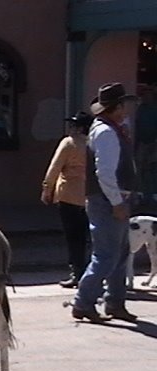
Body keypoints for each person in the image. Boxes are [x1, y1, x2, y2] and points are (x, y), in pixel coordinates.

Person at [72, 82, 138, 323]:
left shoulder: (112, 128)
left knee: (119, 254)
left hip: (110, 198)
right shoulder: (107, 133)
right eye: (123, 106)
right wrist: (117, 202)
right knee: (106, 255)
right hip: (107, 200)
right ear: (117, 107)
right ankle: (84, 301)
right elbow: (105, 173)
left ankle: (115, 301)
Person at [41, 111, 93, 288]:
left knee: (73, 236)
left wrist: (47, 189)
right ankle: (90, 272)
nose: (71, 128)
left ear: (79, 128)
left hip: (69, 194)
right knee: (88, 235)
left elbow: (55, 167)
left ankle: (77, 272)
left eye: (73, 125)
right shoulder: (93, 143)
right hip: (89, 194)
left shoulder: (69, 143)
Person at [134, 85, 157, 196]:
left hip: (154, 143)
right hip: (142, 144)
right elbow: (137, 126)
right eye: (143, 95)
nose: (145, 97)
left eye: (148, 94)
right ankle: (143, 195)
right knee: (141, 170)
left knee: (153, 169)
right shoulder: (140, 109)